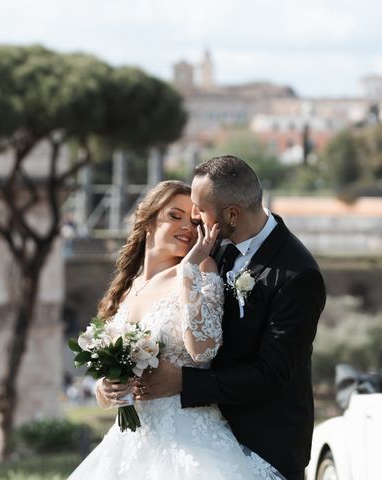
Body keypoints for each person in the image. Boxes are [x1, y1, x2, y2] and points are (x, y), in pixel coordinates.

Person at [68, 179, 283, 479]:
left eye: (195, 221)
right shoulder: (127, 287)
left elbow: (204, 349)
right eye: (175, 216)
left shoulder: (202, 269)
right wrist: (107, 390)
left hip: (189, 440)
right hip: (130, 442)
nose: (187, 227)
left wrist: (188, 270)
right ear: (148, 220)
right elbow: (107, 384)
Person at [134, 156, 326, 480]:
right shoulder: (214, 245)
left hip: (264, 443)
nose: (195, 217)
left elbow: (271, 374)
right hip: (205, 437)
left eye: (200, 208)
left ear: (232, 214)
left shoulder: (298, 275)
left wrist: (182, 381)